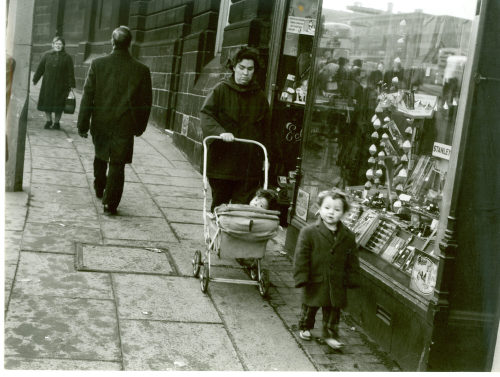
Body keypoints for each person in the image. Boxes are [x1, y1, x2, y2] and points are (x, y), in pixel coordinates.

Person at [77, 26, 152, 215]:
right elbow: (145, 102)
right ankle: (110, 204)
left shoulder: (98, 64)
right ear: (130, 43)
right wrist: (140, 127)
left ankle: (100, 185)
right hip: (125, 123)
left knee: (101, 153)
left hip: (101, 120)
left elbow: (88, 96)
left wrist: (83, 124)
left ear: (112, 42)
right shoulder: (141, 70)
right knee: (118, 163)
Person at [200, 47, 273, 212]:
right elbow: (206, 115)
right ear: (233, 67)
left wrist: (267, 157)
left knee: (243, 210)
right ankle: (218, 236)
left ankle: (235, 237)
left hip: (248, 166)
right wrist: (220, 132)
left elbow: (266, 130)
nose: (245, 73)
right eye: (241, 68)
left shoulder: (260, 97)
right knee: (220, 208)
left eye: (250, 69)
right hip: (222, 164)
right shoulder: (220, 90)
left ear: (255, 71)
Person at [293, 190, 360, 349]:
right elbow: (301, 256)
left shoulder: (348, 236)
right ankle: (305, 326)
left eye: (337, 210)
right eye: (327, 208)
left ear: (343, 213)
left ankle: (330, 334)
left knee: (333, 310)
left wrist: (352, 277)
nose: (331, 212)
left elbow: (352, 258)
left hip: (336, 280)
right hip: (315, 277)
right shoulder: (309, 232)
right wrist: (301, 276)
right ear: (320, 208)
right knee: (310, 305)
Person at [32, 36, 75, 130]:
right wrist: (35, 79)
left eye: (60, 44)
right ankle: (48, 121)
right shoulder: (46, 55)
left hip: (62, 86)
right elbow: (40, 69)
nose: (58, 46)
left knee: (59, 105)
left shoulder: (67, 58)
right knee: (47, 103)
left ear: (63, 46)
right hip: (48, 84)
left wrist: (71, 85)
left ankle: (56, 123)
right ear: (52, 44)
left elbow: (70, 72)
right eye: (56, 44)